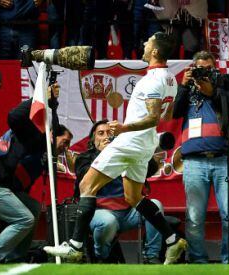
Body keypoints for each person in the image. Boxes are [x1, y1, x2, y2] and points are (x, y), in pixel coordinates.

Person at [44, 32, 187, 265]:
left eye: (148, 41)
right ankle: (172, 239)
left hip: (131, 142)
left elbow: (153, 118)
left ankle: (75, 246)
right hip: (145, 144)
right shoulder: (170, 79)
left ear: (155, 52)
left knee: (86, 185)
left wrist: (123, 128)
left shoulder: (152, 80)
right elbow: (167, 114)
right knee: (133, 197)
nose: (143, 43)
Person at [0, 84, 74, 264]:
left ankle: (16, 258)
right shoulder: (33, 136)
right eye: (65, 141)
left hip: (4, 186)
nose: (66, 147)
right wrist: (42, 100)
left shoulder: (43, 152)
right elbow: (14, 116)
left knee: (33, 208)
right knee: (25, 218)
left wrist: (53, 104)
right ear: (52, 134)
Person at [172, 51, 229, 263]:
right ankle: (197, 261)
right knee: (194, 218)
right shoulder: (187, 89)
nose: (204, 72)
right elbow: (175, 112)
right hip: (194, 161)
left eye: (209, 68)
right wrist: (185, 85)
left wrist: (212, 90)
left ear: (216, 69)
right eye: (200, 68)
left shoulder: (227, 84)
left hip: (225, 159)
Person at [74, 120, 164, 263]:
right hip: (100, 212)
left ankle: (151, 256)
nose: (105, 137)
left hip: (130, 211)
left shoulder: (125, 154)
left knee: (156, 205)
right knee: (108, 222)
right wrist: (104, 156)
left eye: (109, 133)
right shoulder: (84, 158)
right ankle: (102, 256)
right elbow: (84, 178)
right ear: (93, 139)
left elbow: (151, 169)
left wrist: (137, 151)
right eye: (100, 133)